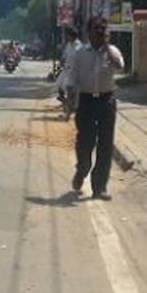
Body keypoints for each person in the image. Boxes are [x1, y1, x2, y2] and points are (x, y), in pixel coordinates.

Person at [61, 15, 125, 199]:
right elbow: (71, 79)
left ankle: (99, 187)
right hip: (87, 101)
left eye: (102, 29)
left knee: (105, 145)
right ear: (88, 33)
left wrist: (106, 48)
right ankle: (82, 170)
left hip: (106, 101)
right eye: (95, 29)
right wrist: (70, 102)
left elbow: (120, 66)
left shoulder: (112, 51)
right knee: (85, 142)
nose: (99, 33)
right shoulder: (78, 54)